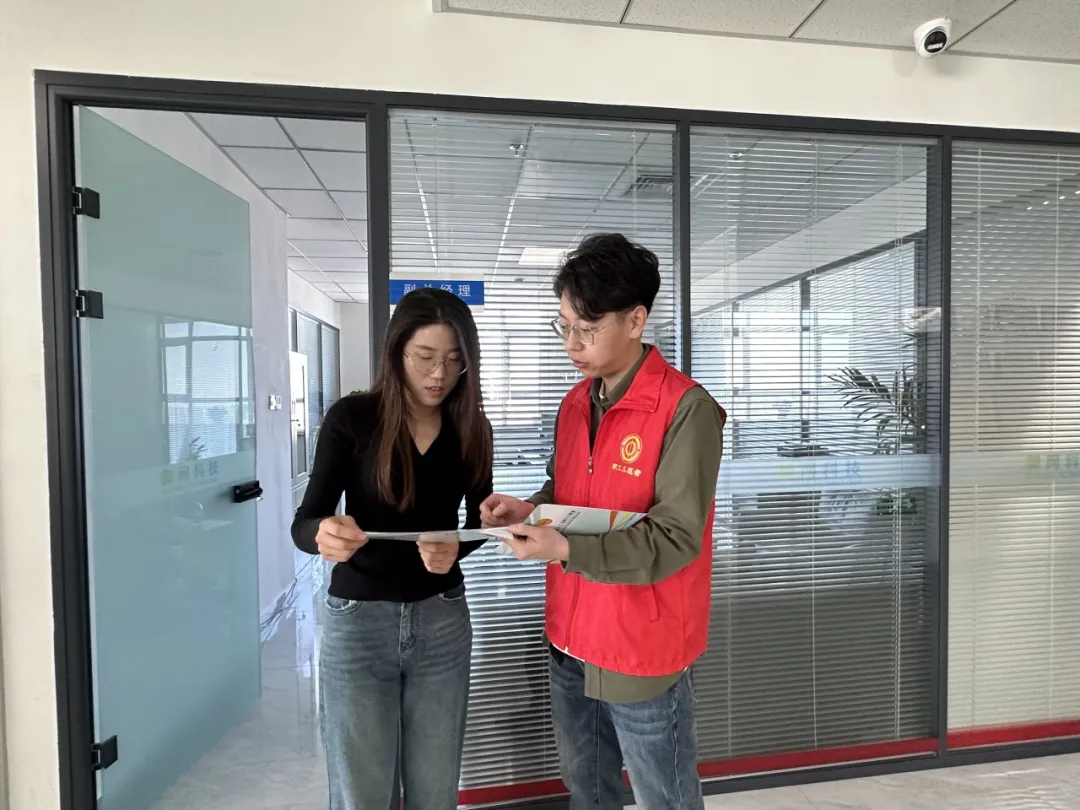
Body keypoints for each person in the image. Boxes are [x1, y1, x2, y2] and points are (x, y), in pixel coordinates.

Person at [481, 234, 725, 810]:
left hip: (641, 647)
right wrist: (529, 510)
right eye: (563, 326)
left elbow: (675, 537)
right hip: (571, 639)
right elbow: (568, 492)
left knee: (665, 797)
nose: (571, 344)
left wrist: (565, 549)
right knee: (587, 790)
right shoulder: (574, 404)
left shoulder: (684, 410)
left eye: (587, 329)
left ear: (636, 320)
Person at [291, 287, 493, 810]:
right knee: (362, 792)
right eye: (425, 357)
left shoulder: (472, 428)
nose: (439, 375)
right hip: (358, 622)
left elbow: (478, 523)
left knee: (435, 789)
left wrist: (457, 548)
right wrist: (323, 533)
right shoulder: (352, 418)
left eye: (454, 360)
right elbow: (304, 522)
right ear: (397, 351)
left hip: (442, 621)